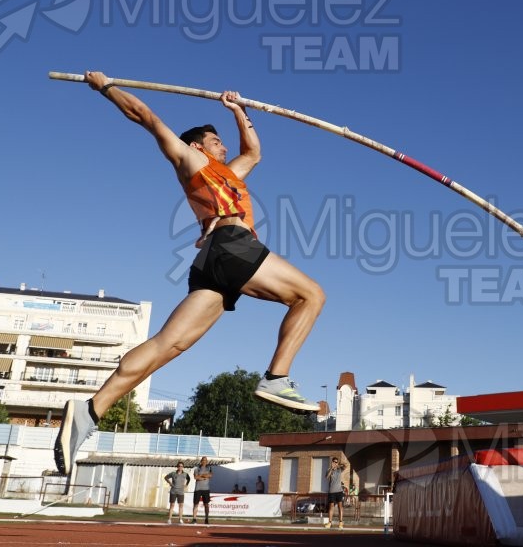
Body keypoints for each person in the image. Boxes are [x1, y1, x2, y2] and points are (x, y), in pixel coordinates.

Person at [53, 70, 325, 476]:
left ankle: (89, 411)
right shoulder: (189, 158)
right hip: (233, 246)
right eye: (216, 141)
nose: (224, 146)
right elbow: (145, 115)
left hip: (216, 262)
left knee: (169, 345)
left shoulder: (229, 174)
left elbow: (254, 153)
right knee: (310, 296)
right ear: (197, 145)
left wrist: (238, 110)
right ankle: (276, 376)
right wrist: (105, 87)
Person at [324, 457, 346, 529]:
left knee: (340, 507)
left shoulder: (339, 470)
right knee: (331, 507)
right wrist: (331, 468)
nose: (335, 463)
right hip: (331, 491)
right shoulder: (329, 470)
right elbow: (327, 477)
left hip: (339, 491)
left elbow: (345, 466)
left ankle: (341, 522)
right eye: (334, 461)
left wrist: (339, 464)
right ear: (332, 462)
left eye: (336, 462)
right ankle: (330, 523)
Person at [191, 456, 213, 524]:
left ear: (207, 461)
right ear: (201, 461)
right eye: (203, 460)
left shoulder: (209, 468)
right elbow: (195, 477)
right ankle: (194, 519)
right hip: (198, 489)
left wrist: (202, 476)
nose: (204, 461)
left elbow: (210, 475)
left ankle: (206, 519)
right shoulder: (197, 468)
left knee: (206, 504)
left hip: (206, 489)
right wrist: (204, 476)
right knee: (196, 504)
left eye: (205, 460)